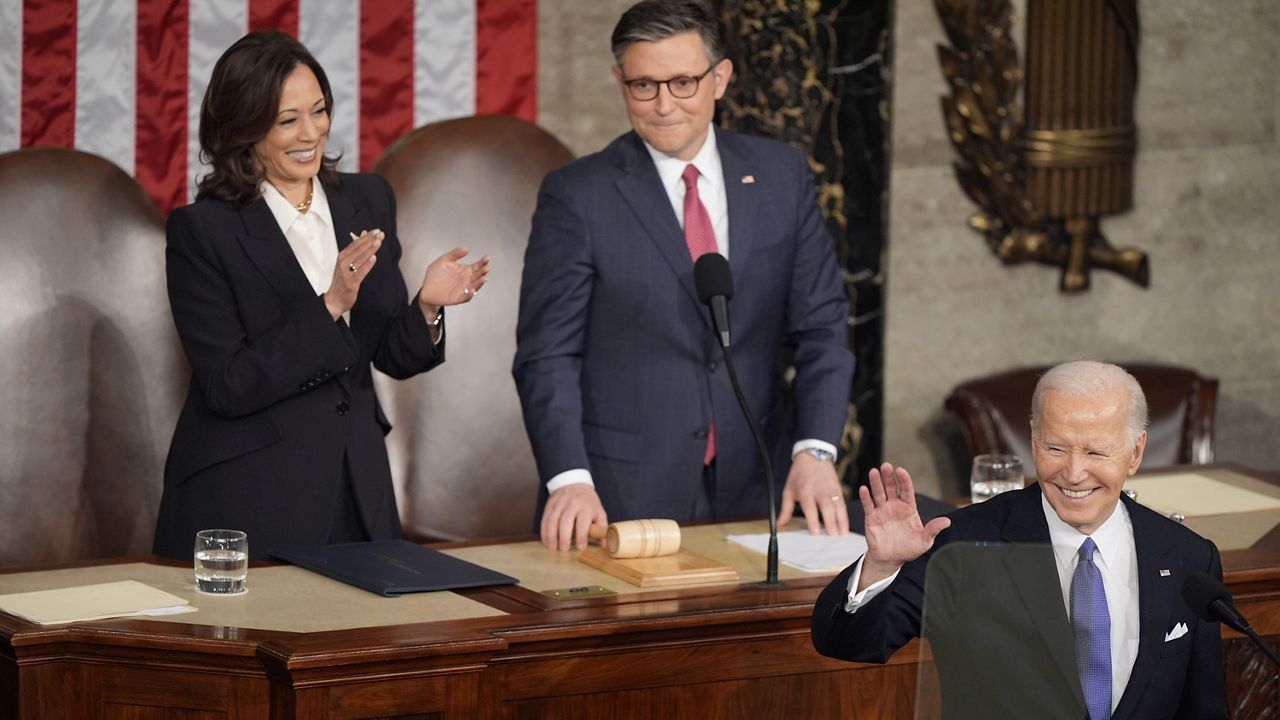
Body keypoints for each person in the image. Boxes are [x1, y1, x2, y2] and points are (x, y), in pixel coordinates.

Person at [513, 0, 855, 552]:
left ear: (720, 78)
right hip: (618, 496)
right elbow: (547, 355)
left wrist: (814, 452)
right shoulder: (578, 195)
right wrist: (570, 480)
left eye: (682, 82)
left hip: (759, 484)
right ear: (619, 80)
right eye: (644, 86)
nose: (664, 105)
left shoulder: (780, 175)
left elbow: (822, 330)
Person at [152, 30, 490, 560]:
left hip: (358, 484)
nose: (310, 132)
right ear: (243, 129)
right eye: (287, 120)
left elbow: (391, 356)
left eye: (319, 110)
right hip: (251, 492)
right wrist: (330, 304)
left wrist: (427, 305)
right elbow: (227, 385)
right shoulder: (202, 231)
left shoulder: (366, 198)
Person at [811, 361, 1226, 719]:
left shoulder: (1189, 557)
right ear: (1033, 439)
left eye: (1096, 453)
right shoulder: (967, 544)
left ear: (1135, 453)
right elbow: (849, 642)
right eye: (1055, 447)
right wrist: (882, 567)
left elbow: (1204, 710)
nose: (1074, 472)